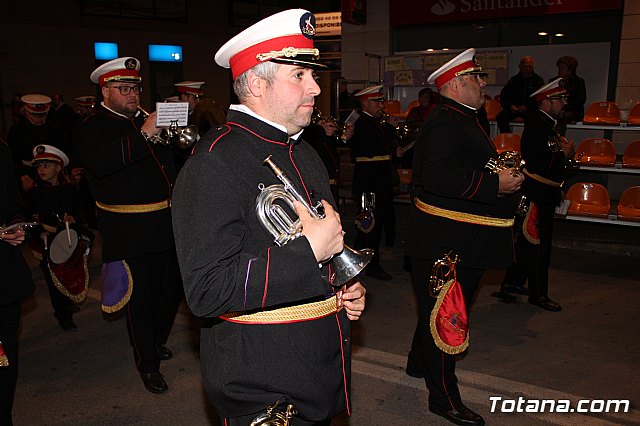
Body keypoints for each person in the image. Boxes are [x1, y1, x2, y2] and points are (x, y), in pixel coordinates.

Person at [172, 9, 366, 425]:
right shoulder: (214, 161)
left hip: (315, 365)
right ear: (257, 84)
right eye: (298, 75)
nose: (315, 86)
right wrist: (310, 252)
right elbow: (206, 291)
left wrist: (341, 283)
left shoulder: (303, 150)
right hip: (262, 378)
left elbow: (319, 239)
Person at [405, 48, 524, 426]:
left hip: (460, 238)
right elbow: (438, 177)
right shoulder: (446, 122)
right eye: (476, 78)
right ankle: (444, 398)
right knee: (446, 316)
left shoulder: (466, 119)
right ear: (456, 84)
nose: (483, 84)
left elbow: (461, 166)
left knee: (434, 308)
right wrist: (495, 183)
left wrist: (500, 172)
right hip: (445, 243)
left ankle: (417, 363)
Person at [73, 57, 183, 394]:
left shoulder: (144, 121)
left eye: (136, 87)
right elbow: (100, 164)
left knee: (170, 292)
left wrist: (177, 137)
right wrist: (145, 135)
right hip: (128, 228)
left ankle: (156, 340)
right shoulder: (91, 127)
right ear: (105, 92)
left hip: (164, 222)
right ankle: (147, 363)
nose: (133, 94)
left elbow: (169, 167)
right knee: (141, 300)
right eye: (124, 89)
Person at [493, 79, 574, 312]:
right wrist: (565, 155)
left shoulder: (547, 125)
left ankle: (512, 283)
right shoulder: (537, 126)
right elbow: (541, 163)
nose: (565, 102)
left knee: (528, 244)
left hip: (545, 191)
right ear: (546, 102)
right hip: (538, 193)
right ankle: (539, 294)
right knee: (539, 245)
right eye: (560, 99)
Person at [23, 145, 90, 331]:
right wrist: (38, 231)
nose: (41, 170)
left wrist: (75, 217)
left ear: (59, 168)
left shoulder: (70, 189)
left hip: (70, 238)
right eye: (39, 166)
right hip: (49, 241)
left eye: (46, 165)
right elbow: (28, 218)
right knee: (54, 279)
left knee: (72, 273)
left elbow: (82, 211)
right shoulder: (35, 193)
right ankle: (63, 315)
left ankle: (68, 300)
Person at [0, 138, 36, 426]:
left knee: (3, 356)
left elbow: (12, 203)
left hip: (3, 277)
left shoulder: (1, 148)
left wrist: (15, 224)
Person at [349, 85, 400, 280]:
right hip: (369, 182)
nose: (382, 105)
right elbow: (372, 147)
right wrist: (390, 128)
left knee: (374, 223)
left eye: (381, 101)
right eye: (377, 102)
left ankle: (363, 259)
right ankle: (369, 264)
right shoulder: (363, 123)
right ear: (365, 103)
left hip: (378, 180)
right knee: (369, 224)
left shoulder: (374, 122)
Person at [7, 94, 66, 193]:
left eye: (42, 115)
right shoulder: (17, 130)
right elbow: (13, 157)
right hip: (27, 174)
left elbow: (63, 150)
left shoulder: (54, 129)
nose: (39, 119)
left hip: (52, 176)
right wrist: (23, 176)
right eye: (35, 114)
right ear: (26, 112)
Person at [301, 110, 353, 203]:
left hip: (331, 179)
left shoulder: (319, 130)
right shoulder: (310, 130)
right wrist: (320, 129)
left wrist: (345, 137)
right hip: (316, 182)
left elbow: (332, 146)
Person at [495, 56, 544, 133]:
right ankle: (507, 137)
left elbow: (540, 98)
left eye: (530, 67)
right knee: (501, 117)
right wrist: (511, 106)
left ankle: (527, 141)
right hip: (514, 109)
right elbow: (504, 96)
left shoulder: (538, 81)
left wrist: (528, 106)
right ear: (520, 67)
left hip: (530, 109)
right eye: (525, 67)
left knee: (534, 119)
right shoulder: (513, 81)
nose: (528, 69)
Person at [554, 56, 586, 133]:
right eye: (559, 68)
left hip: (573, 111)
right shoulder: (554, 81)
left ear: (570, 70)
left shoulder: (578, 82)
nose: (559, 71)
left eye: (562, 69)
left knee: (562, 116)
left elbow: (581, 99)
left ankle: (558, 139)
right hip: (556, 110)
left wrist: (565, 107)